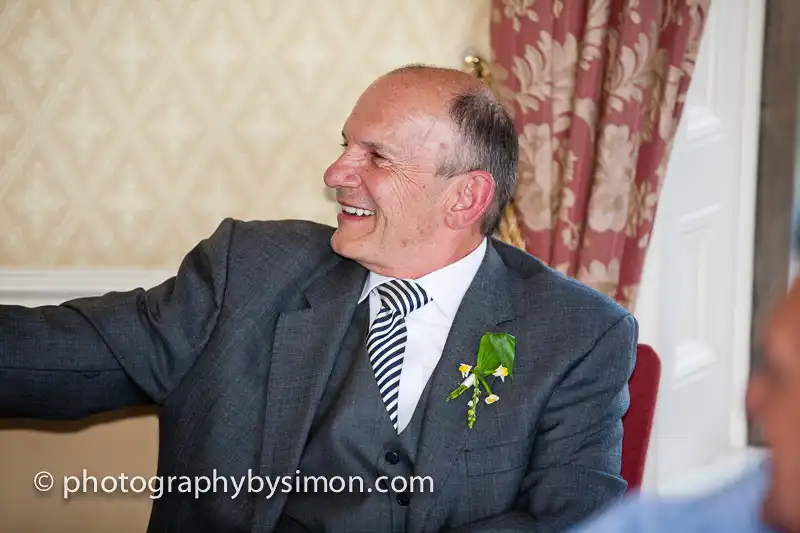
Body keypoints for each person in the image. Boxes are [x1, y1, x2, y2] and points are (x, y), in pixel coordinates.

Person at [0, 65, 638, 532]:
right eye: (344, 145)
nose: (336, 173)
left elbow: (570, 522)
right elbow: (72, 352)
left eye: (375, 157)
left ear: (464, 197)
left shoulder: (577, 333)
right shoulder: (248, 272)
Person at [564, 275, 800, 533]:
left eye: (780, 376)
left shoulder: (586, 330)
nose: (752, 398)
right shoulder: (767, 492)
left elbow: (573, 508)